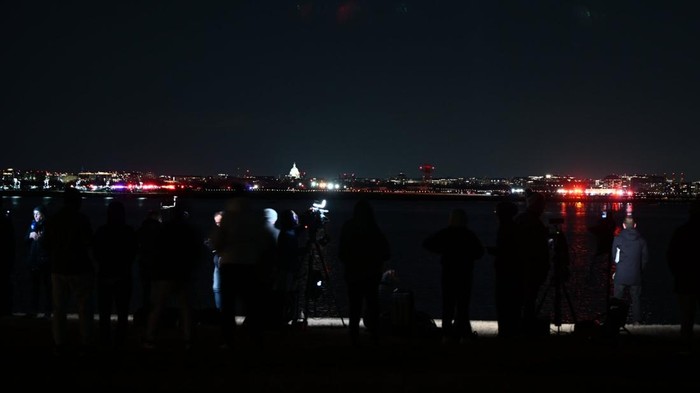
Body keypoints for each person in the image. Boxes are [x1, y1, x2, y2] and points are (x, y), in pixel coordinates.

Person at [213, 197, 276, 349]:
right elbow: (268, 241)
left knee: (228, 306)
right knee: (252, 304)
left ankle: (228, 339)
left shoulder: (227, 220)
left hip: (229, 266)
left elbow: (216, 241)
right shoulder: (255, 219)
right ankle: (256, 338)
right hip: (250, 266)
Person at [143, 203, 202, 350]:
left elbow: (154, 250)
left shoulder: (163, 230)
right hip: (183, 273)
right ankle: (188, 338)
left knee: (158, 306)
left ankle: (150, 337)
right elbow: (197, 251)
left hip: (164, 273)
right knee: (186, 308)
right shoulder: (190, 230)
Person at [43, 187, 94, 354]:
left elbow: (46, 245)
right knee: (84, 307)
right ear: (77, 202)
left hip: (58, 268)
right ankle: (86, 340)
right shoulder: (82, 220)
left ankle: (59, 341)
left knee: (59, 308)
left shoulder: (53, 220)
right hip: (80, 268)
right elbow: (89, 243)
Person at [423, 208, 485, 344]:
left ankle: (447, 334)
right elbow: (480, 252)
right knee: (463, 306)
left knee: (448, 305)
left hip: (448, 273)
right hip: (465, 273)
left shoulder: (446, 233)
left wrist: (442, 251)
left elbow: (427, 243)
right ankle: (464, 334)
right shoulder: (469, 235)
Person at [338, 199, 391, 346]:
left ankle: (353, 335)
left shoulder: (348, 227)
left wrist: (350, 262)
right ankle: (374, 335)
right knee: (372, 304)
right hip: (371, 274)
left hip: (353, 273)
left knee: (354, 305)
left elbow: (341, 252)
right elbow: (386, 252)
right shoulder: (374, 229)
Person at [93, 200, 138, 347]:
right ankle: (120, 340)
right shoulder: (128, 231)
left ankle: (104, 339)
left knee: (104, 312)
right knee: (123, 311)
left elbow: (96, 253)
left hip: (104, 275)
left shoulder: (101, 231)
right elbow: (132, 253)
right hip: (123, 276)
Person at [514, 192, 550, 335]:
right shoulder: (534, 223)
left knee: (522, 299)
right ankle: (527, 327)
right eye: (542, 205)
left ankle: (521, 326)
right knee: (529, 298)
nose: (543, 208)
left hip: (521, 267)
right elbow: (538, 248)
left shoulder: (521, 219)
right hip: (531, 268)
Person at [667, 200, 700, 351]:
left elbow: (671, 256)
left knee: (686, 317)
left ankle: (686, 349)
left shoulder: (681, 231)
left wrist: (678, 274)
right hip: (687, 278)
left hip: (685, 280)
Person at [489, 201, 523, 338]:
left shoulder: (506, 228)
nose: (496, 215)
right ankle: (511, 332)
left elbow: (507, 250)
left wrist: (496, 251)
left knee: (504, 304)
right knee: (513, 305)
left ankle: (506, 333)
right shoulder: (514, 227)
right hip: (513, 272)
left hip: (506, 272)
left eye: (497, 212)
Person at [611, 216, 649, 325]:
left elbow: (614, 257)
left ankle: (615, 322)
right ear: (635, 225)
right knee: (636, 298)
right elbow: (645, 259)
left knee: (617, 299)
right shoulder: (641, 241)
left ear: (623, 225)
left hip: (621, 274)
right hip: (636, 275)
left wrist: (617, 270)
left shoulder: (617, 239)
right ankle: (636, 321)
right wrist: (639, 271)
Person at [272, 209, 304, 327]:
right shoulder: (287, 234)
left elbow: (298, 229)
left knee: (284, 293)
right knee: (285, 293)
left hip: (286, 268)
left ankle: (283, 317)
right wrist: (303, 250)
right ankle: (282, 317)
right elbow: (290, 252)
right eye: (293, 218)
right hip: (286, 268)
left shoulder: (287, 232)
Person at [25, 205, 51, 319]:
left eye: (37, 214)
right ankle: (33, 311)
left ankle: (47, 312)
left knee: (47, 287)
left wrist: (41, 239)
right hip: (33, 259)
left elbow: (50, 244)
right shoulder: (32, 225)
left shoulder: (48, 226)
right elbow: (25, 239)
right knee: (34, 287)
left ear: (43, 214)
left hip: (45, 260)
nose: (35, 216)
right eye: (34, 214)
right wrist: (30, 236)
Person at [204, 211, 224, 310]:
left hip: (226, 261)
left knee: (221, 288)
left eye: (220, 222)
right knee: (216, 288)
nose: (218, 225)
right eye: (216, 223)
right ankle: (220, 312)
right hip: (218, 260)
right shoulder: (216, 232)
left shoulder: (232, 232)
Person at [0, 198, 15, 316]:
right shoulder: (6, 222)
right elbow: (11, 243)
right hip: (5, 259)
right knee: (6, 285)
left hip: (5, 259)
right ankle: (6, 310)